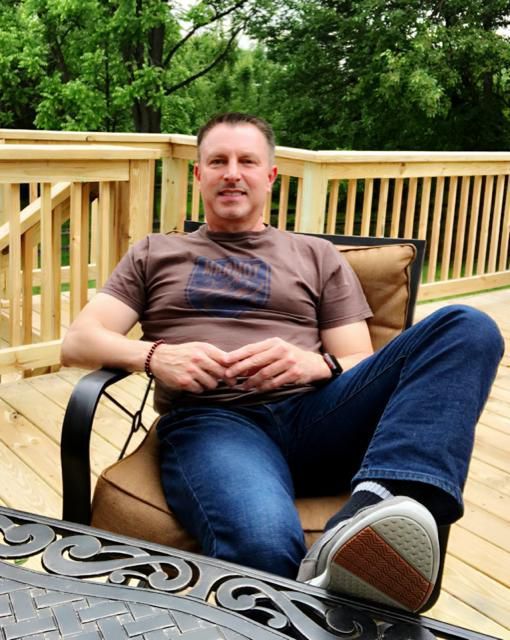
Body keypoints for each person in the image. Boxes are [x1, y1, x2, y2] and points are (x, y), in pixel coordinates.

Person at [61, 112, 504, 613]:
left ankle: (375, 505)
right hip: (216, 423)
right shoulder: (155, 252)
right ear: (199, 175)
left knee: (467, 326)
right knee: (263, 546)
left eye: (247, 161)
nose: (232, 173)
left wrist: (316, 365)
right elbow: (78, 340)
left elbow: (358, 358)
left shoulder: (315, 255)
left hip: (319, 414)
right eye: (218, 162)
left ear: (270, 176)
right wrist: (155, 355)